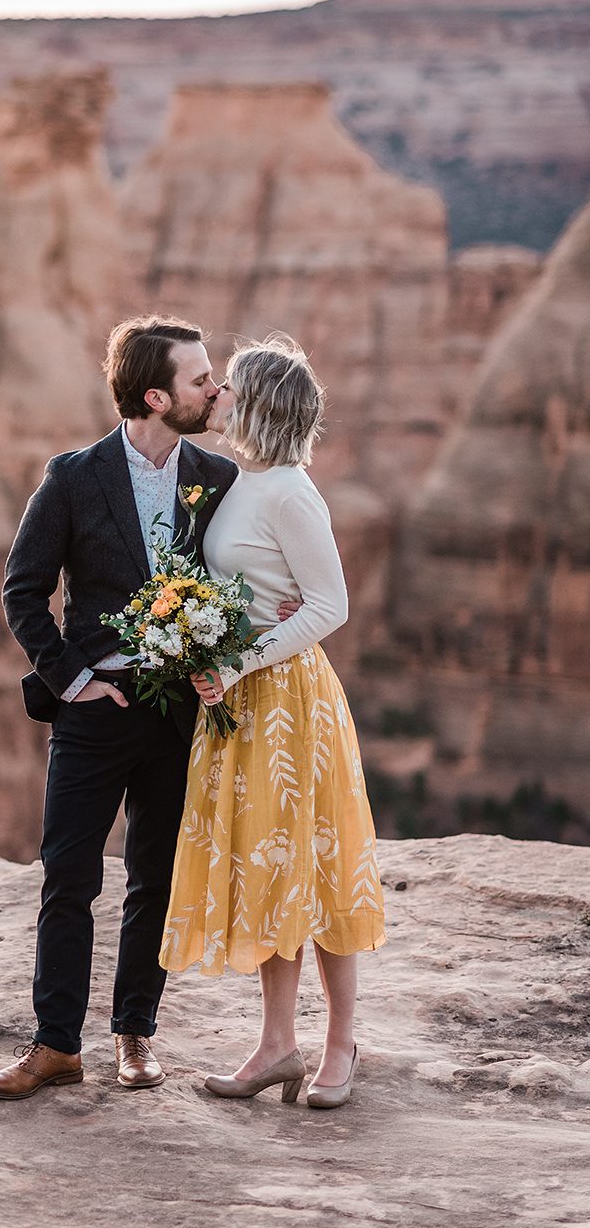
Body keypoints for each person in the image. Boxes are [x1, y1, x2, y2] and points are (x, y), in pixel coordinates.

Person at [0, 316, 240, 1099]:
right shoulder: (73, 477)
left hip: (177, 715)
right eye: (200, 380)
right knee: (68, 876)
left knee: (154, 876)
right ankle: (55, 1045)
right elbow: (23, 592)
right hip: (95, 710)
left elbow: (237, 593)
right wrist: (74, 681)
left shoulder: (217, 480)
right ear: (156, 396)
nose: (214, 389)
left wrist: (216, 663)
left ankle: (136, 1034)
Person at [160, 335, 386, 1111]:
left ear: (255, 405)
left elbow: (330, 606)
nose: (214, 394)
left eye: (228, 387)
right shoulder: (240, 480)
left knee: (321, 869)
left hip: (289, 704)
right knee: (272, 869)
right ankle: (277, 1046)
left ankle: (342, 1042)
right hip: (244, 703)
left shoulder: (291, 491)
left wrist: (236, 660)